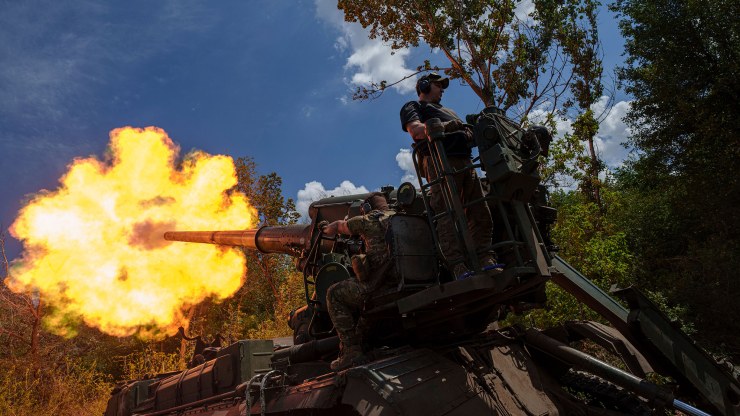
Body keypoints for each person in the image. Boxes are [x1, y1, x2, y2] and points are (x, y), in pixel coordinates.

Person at [400, 72, 496, 278]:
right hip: (439, 162)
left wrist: (470, 133)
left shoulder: (449, 111)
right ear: (424, 87)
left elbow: (464, 133)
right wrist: (445, 126)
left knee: (480, 211)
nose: (442, 89)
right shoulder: (413, 107)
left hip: (465, 163)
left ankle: (485, 257)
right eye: (438, 85)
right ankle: (457, 265)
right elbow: (416, 131)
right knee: (447, 214)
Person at [321, 193, 396, 371]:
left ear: (368, 208)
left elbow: (338, 226)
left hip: (381, 285)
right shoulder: (399, 216)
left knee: (334, 294)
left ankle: (351, 353)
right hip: (402, 281)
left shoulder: (369, 220)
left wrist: (325, 229)